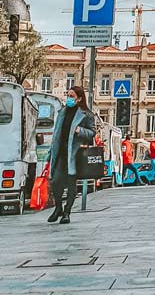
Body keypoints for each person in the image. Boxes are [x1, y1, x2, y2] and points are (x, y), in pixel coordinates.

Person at [47, 85, 96, 224]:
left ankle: (67, 213)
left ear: (79, 98)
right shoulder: (62, 111)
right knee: (55, 182)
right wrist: (50, 153)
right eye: (68, 95)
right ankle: (58, 208)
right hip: (60, 152)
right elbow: (56, 133)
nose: (69, 98)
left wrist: (80, 130)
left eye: (72, 96)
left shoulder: (86, 114)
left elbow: (92, 132)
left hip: (74, 154)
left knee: (71, 184)